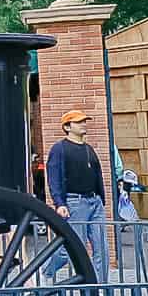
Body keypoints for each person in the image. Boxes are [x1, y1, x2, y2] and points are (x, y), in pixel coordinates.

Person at [46, 109, 109, 282]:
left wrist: (101, 200)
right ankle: (45, 273)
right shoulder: (59, 149)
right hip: (74, 202)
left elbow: (97, 174)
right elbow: (54, 177)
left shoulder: (89, 149)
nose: (83, 124)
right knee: (70, 248)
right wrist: (60, 203)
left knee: (102, 249)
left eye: (84, 121)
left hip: (94, 202)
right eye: (78, 121)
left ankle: (100, 290)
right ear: (67, 126)